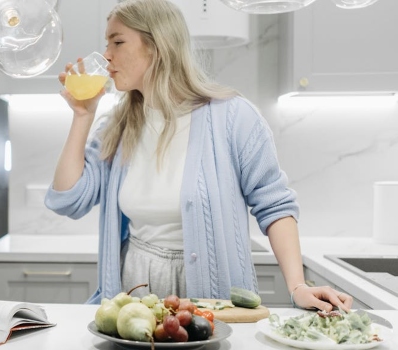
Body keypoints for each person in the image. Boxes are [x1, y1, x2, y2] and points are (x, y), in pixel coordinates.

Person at [44, 0, 352, 312]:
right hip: (133, 295)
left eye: (118, 41)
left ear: (158, 45)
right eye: (106, 43)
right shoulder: (117, 126)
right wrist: (82, 116)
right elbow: (67, 200)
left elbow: (274, 203)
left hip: (211, 295)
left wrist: (297, 285)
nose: (107, 54)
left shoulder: (233, 117)